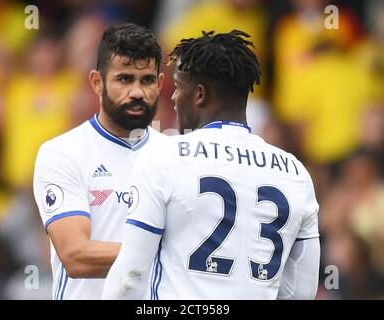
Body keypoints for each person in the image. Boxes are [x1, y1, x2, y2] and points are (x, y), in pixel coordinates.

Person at [102, 30, 320, 300]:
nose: (172, 98)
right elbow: (301, 291)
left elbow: (129, 279)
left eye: (179, 87)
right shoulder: (296, 172)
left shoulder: (164, 156)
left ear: (200, 94)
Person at [33, 23, 165, 299]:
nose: (138, 92)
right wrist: (170, 254)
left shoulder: (174, 155)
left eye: (147, 80)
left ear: (161, 84)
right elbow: (76, 256)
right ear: (97, 82)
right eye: (125, 79)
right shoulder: (63, 152)